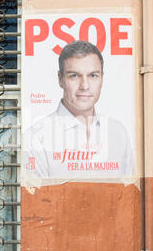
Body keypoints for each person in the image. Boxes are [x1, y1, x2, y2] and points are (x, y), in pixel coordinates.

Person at [23, 40, 134, 181]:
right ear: (60, 79)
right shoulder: (36, 138)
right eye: (74, 76)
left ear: (102, 78)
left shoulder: (118, 132)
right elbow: (37, 200)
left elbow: (129, 195)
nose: (85, 86)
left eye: (93, 75)